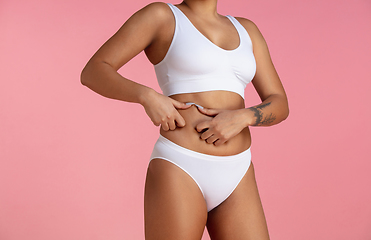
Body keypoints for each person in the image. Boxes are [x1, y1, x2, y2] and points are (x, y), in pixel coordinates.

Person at [81, 0, 289, 239]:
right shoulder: (162, 16)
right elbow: (94, 70)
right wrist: (147, 96)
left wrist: (244, 117)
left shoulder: (247, 30)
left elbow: (279, 103)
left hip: (238, 170)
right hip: (181, 165)